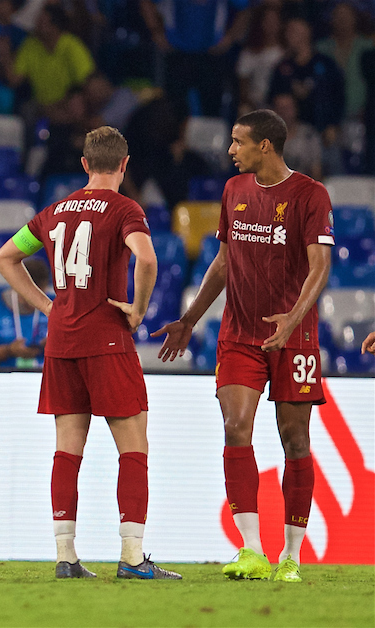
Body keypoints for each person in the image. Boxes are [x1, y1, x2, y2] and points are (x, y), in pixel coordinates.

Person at [152, 109, 334, 583]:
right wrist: (190, 318)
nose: (229, 150)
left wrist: (294, 317)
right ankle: (252, 550)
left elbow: (320, 267)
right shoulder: (233, 192)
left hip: (296, 339)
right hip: (240, 336)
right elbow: (224, 262)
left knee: (295, 440)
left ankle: (291, 556)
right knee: (236, 426)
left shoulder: (311, 195)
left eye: (238, 142)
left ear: (266, 146)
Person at [0, 126, 181, 580]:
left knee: (67, 452)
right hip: (107, 340)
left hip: (61, 343)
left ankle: (65, 557)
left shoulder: (56, 210)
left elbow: (3, 258)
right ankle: (132, 558)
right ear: (124, 165)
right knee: (134, 449)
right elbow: (148, 259)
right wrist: (137, 310)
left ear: (83, 165)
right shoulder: (124, 208)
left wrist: (46, 304)